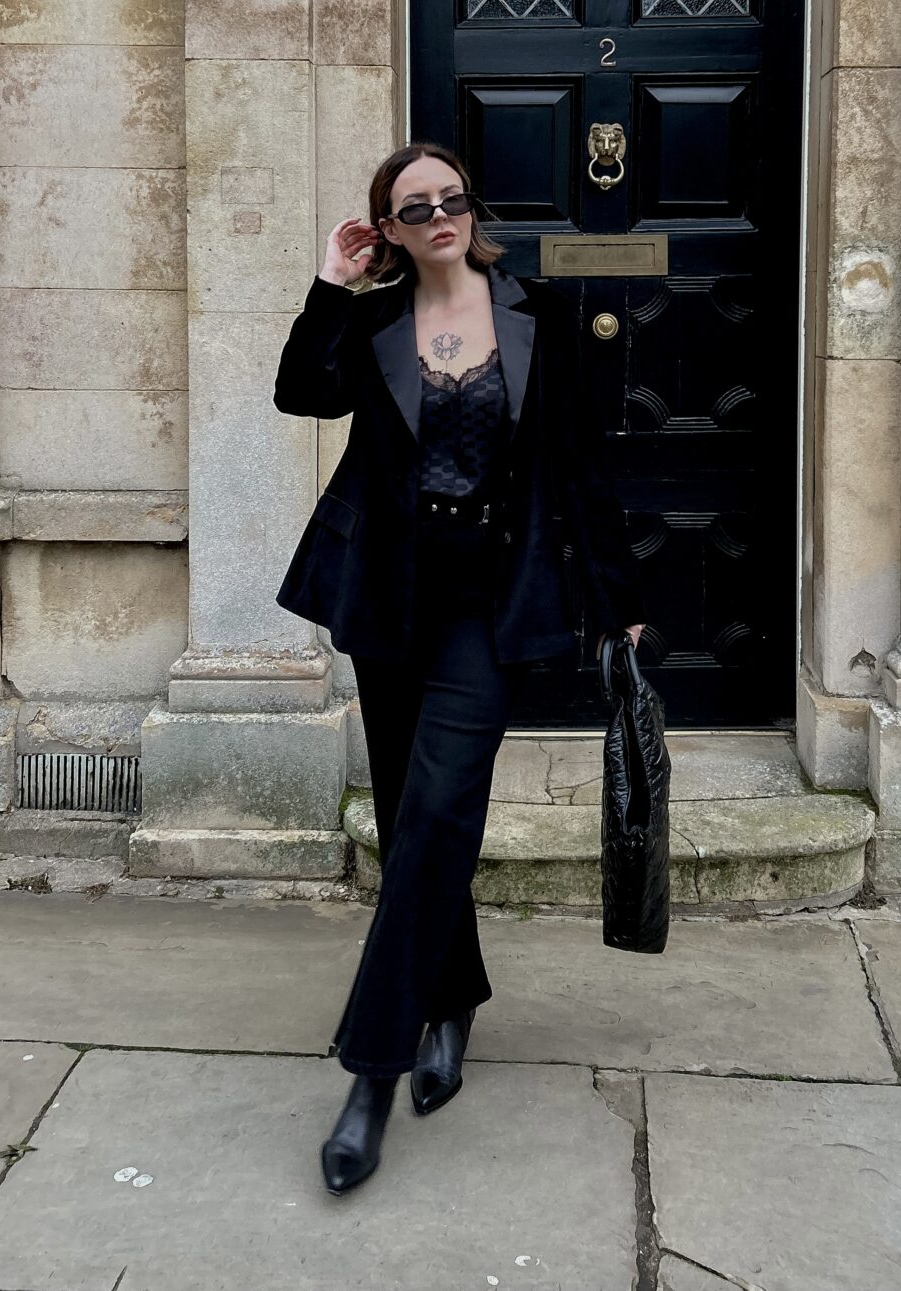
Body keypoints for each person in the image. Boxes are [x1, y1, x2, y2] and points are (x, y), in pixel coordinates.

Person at [272, 140, 647, 1196]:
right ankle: (453, 997)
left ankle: (370, 1076)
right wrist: (331, 285)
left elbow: (580, 464)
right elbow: (303, 394)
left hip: (490, 608)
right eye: (411, 206)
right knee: (409, 821)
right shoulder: (377, 318)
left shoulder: (537, 318)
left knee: (439, 815)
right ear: (386, 227)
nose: (436, 215)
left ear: (470, 210)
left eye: (449, 199)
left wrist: (619, 605)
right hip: (386, 600)